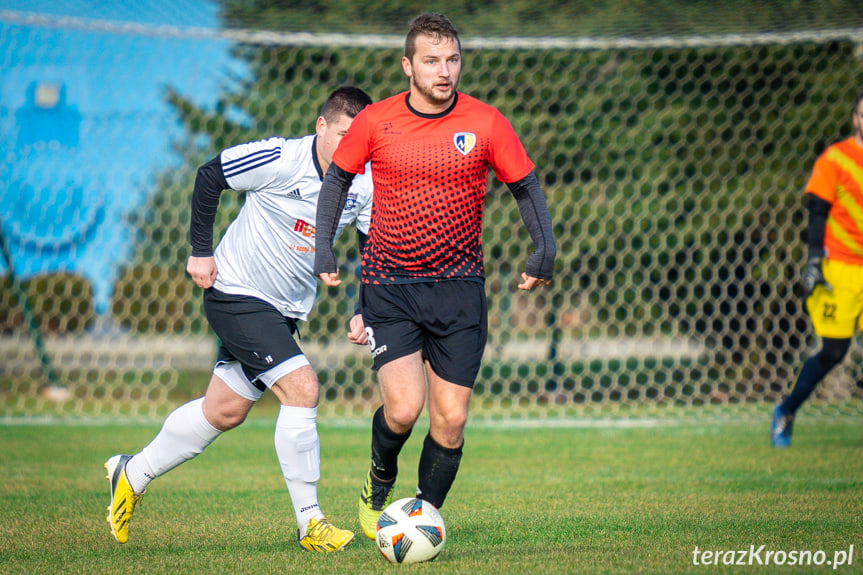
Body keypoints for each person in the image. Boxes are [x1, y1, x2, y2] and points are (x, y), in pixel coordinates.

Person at [313, 13, 556, 539]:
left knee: (450, 421)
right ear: (408, 66)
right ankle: (379, 482)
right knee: (403, 409)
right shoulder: (375, 121)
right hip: (389, 286)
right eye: (431, 61)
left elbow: (526, 187)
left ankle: (418, 518)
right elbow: (336, 182)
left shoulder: (486, 122)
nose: (444, 71)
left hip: (459, 290)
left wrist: (545, 250)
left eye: (452, 60)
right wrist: (323, 251)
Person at [104, 86, 374, 551]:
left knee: (224, 411)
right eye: (343, 135)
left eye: (361, 139)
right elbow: (210, 175)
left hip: (283, 311)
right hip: (236, 292)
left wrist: (363, 309)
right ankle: (311, 523)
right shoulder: (278, 157)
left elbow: (371, 248)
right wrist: (200, 252)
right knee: (303, 386)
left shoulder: (364, 183)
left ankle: (132, 472)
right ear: (320, 127)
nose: (351, 148)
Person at [771, 90, 863, 447]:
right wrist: (813, 261)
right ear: (856, 119)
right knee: (834, 353)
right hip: (839, 268)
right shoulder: (836, 159)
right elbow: (817, 211)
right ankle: (787, 409)